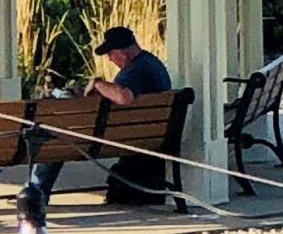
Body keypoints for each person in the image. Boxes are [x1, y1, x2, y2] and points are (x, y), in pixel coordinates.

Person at [30, 25, 175, 207]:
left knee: (54, 141)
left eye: (110, 53)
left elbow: (124, 96)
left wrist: (98, 84)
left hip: (121, 138)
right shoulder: (153, 63)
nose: (109, 58)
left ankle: (36, 193)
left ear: (122, 52)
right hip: (149, 134)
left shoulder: (136, 69)